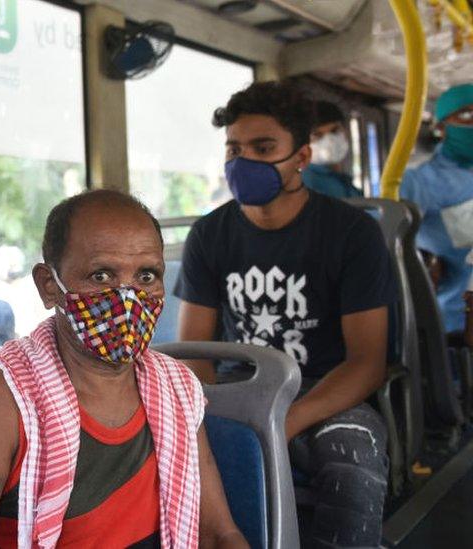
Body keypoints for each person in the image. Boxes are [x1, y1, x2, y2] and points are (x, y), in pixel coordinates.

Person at [0, 190, 247, 548]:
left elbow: (217, 533)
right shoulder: (1, 396)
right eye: (101, 275)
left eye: (146, 276)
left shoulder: (176, 388)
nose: (127, 298)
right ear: (50, 286)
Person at [175, 81, 394, 548]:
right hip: (237, 387)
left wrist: (285, 418)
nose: (243, 161)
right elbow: (195, 352)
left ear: (301, 157)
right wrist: (214, 413)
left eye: (263, 147)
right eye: (234, 148)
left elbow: (366, 360)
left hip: (327, 391)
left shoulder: (352, 234)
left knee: (351, 458)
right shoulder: (210, 236)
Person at [400, 83, 473, 334]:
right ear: (441, 127)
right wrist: (425, 260)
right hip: (458, 324)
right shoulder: (420, 182)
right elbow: (389, 242)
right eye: (466, 115)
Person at [303, 100, 362, 199]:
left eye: (335, 131)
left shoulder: (344, 182)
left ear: (345, 130)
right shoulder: (305, 183)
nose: (329, 141)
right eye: (317, 135)